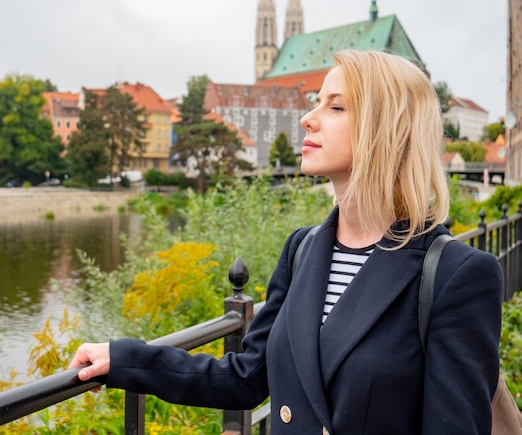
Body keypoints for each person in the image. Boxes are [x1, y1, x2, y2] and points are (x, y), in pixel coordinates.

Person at [69, 50, 503, 434]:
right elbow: (243, 378)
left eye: (336, 107)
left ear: (387, 129)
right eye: (316, 102)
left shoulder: (455, 274)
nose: (307, 118)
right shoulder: (304, 249)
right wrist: (125, 360)